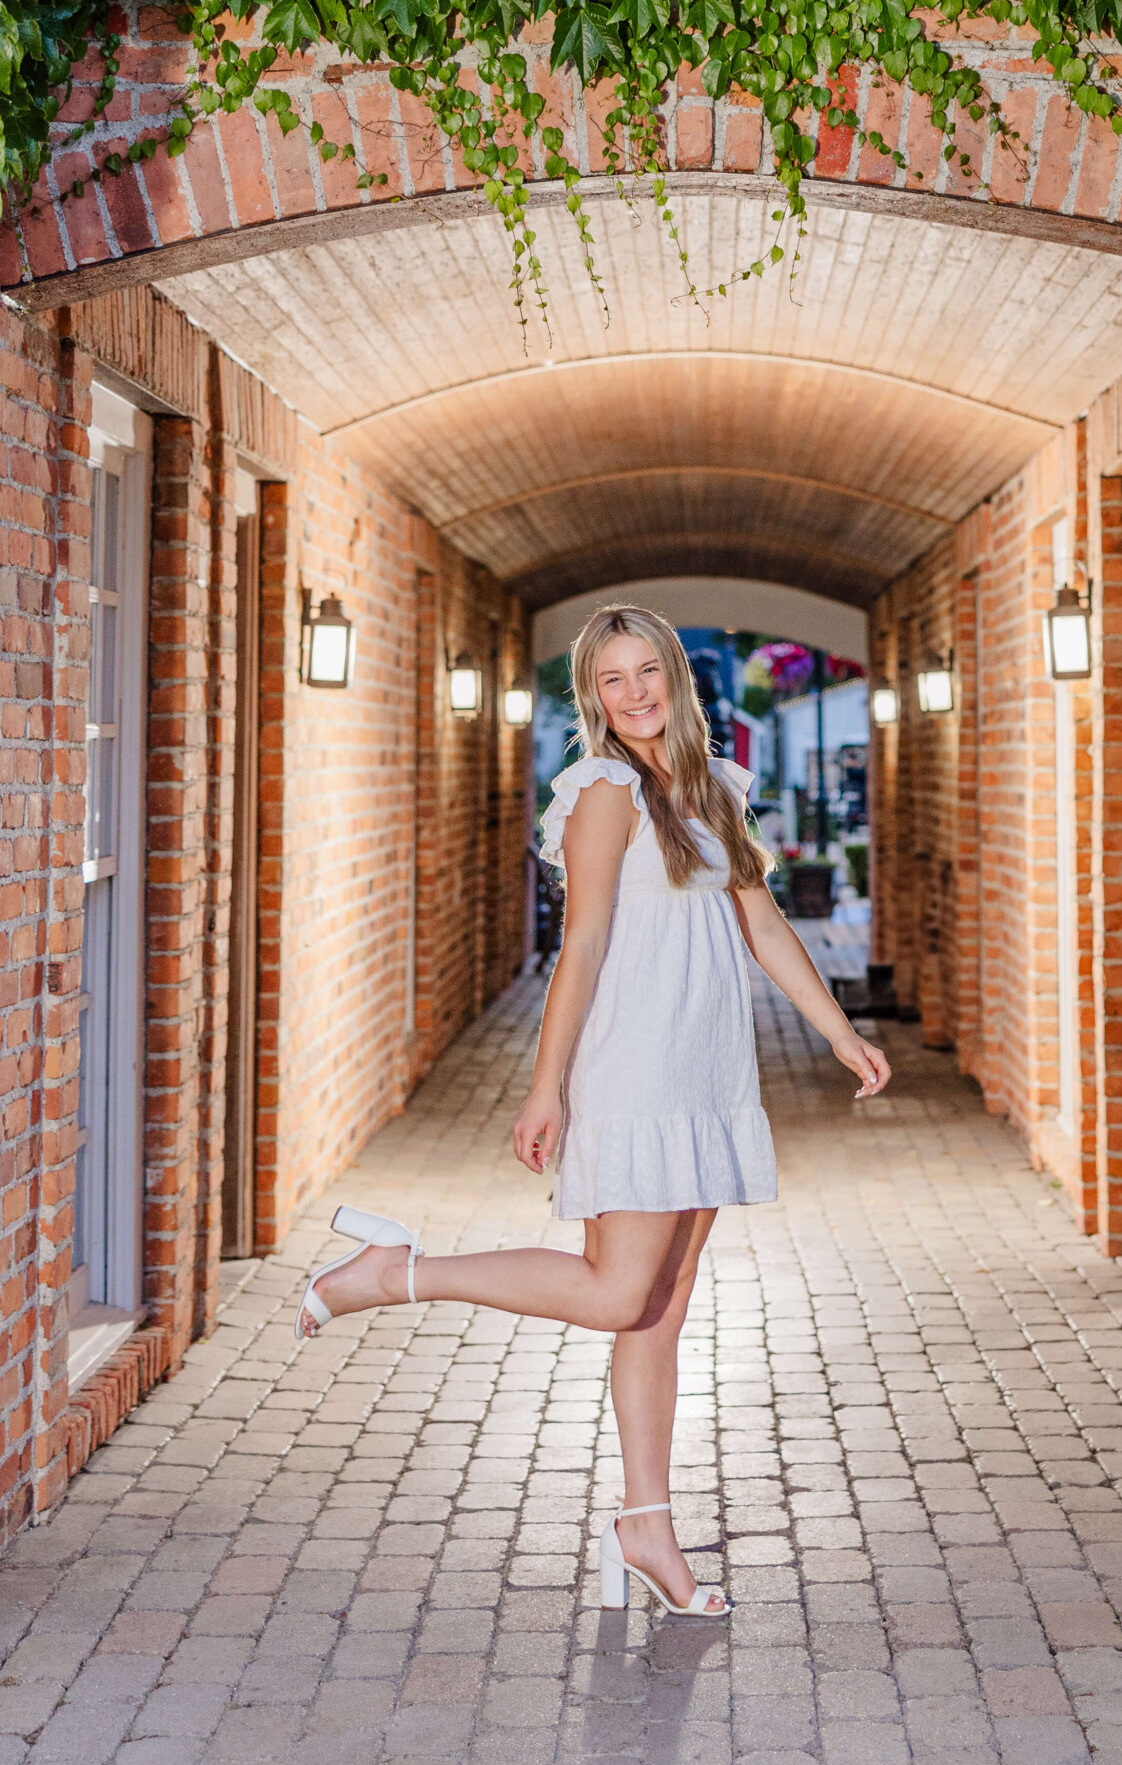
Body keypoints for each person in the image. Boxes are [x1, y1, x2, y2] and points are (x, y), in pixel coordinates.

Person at [297, 605, 890, 1618]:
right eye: (611, 679)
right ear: (593, 698)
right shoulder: (605, 793)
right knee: (621, 1293)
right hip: (637, 1069)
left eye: (646, 669)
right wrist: (546, 1084)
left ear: (674, 675)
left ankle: (646, 1524)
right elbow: (579, 949)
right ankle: (395, 1273)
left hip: (705, 1070)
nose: (635, 692)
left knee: (661, 1305)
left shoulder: (708, 787)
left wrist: (838, 1032)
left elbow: (762, 920)